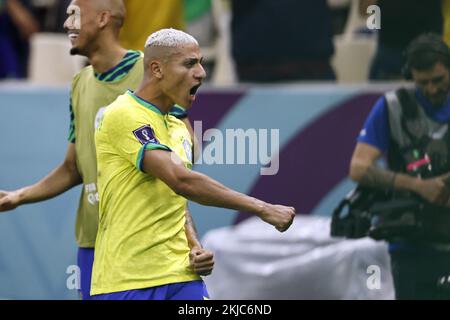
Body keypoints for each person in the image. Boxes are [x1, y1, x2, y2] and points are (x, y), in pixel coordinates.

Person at [0, 0, 213, 300]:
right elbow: (73, 168)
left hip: (148, 243)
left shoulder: (150, 69)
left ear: (102, 19)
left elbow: (180, 159)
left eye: (74, 15)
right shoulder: (80, 83)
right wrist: (20, 195)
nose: (66, 24)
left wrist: (190, 240)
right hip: (93, 245)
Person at [90, 28, 296, 300]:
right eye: (189, 64)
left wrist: (194, 246)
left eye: (200, 63)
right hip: (127, 281)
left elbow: (176, 197)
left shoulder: (178, 128)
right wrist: (262, 208)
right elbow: (181, 181)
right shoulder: (123, 113)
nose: (201, 73)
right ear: (157, 69)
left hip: (181, 276)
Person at [349, 33, 450, 299]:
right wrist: (419, 186)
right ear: (410, 75)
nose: (431, 89)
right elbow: (358, 168)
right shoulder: (392, 107)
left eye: (438, 80)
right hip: (411, 248)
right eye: (422, 82)